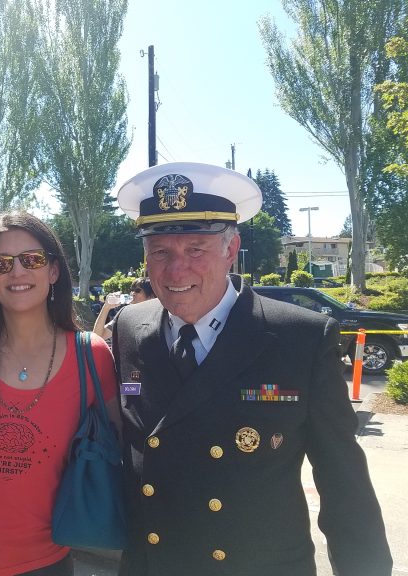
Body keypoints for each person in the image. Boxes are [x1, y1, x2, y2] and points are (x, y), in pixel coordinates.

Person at [112, 162, 392, 576]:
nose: (175, 270)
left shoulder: (299, 337)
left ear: (230, 248)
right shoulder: (129, 327)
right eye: (161, 252)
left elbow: (342, 480)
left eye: (195, 250)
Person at [0, 212, 121, 576]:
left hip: (47, 561)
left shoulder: (92, 355)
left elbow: (121, 448)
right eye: (2, 264)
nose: (17, 272)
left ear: (53, 271)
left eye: (32, 260)